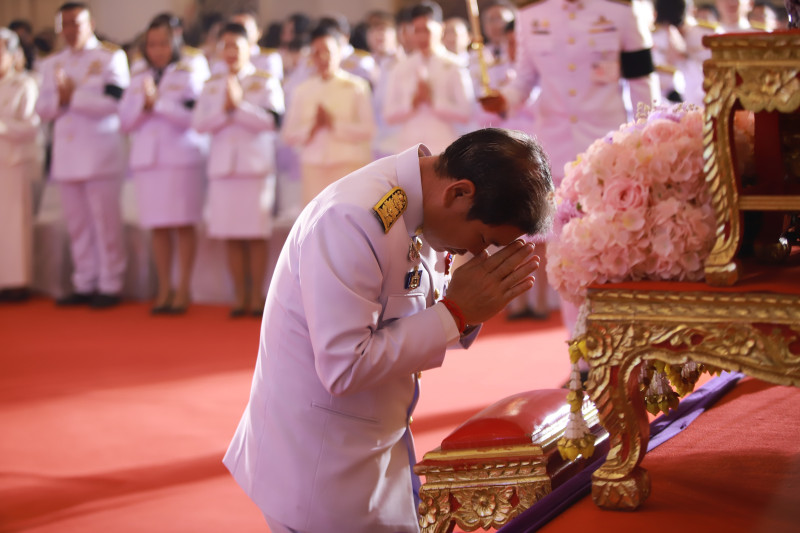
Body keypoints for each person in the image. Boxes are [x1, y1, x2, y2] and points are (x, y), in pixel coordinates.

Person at [223, 127, 554, 533]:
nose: (477, 251)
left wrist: (465, 309)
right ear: (459, 194)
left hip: (371, 449)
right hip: (320, 469)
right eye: (484, 238)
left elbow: (409, 313)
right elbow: (344, 367)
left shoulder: (418, 204)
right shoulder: (352, 219)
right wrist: (455, 313)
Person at [480, 0, 659, 335]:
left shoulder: (621, 9)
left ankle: (625, 338)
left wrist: (647, 137)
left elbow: (642, 81)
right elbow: (524, 79)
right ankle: (580, 347)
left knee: (618, 247)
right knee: (568, 254)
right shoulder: (531, 15)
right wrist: (504, 99)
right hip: (556, 150)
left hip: (609, 150)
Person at [36, 2, 130, 308]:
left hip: (99, 153)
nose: (70, 30)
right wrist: (61, 101)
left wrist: (73, 97)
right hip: (66, 154)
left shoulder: (109, 57)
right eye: (64, 24)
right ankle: (84, 280)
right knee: (76, 223)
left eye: (76, 23)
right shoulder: (52, 63)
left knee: (105, 223)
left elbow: (116, 103)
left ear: (90, 24)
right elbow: (42, 108)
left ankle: (110, 283)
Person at [192, 22, 284, 317]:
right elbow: (199, 124)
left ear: (249, 48)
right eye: (225, 46)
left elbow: (272, 121)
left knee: (256, 234)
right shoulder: (211, 83)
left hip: (254, 168)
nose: (230, 52)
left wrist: (239, 107)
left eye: (236, 45)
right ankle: (240, 297)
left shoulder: (264, 80)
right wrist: (225, 111)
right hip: (223, 169)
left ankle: (257, 297)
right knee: (231, 234)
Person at [119, 16, 209, 314]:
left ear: (175, 43)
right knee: (157, 225)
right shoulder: (138, 73)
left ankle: (183, 288)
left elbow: (196, 116)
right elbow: (124, 121)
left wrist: (159, 103)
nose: (157, 50)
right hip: (149, 159)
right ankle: (163, 289)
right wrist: (144, 106)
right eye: (152, 44)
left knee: (183, 223)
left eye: (163, 44)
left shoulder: (191, 67)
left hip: (180, 157)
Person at [282, 24, 376, 205]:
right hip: (313, 165)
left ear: (339, 52)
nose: (323, 58)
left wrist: (334, 124)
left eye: (328, 52)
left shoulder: (356, 86)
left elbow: (369, 130)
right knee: (316, 215)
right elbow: (288, 134)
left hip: (348, 164)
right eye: (317, 53)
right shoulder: (302, 90)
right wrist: (312, 129)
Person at [384, 1, 475, 155]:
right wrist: (412, 103)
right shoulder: (400, 68)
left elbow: (466, 112)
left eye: (426, 30)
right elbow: (388, 115)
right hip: (409, 146)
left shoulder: (454, 65)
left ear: (441, 28)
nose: (422, 37)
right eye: (416, 31)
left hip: (443, 146)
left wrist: (433, 99)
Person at [0, 28, 42, 303]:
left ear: (14, 55)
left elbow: (31, 126)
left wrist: (2, 126)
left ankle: (16, 281)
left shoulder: (24, 83)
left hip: (13, 162)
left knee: (13, 224)